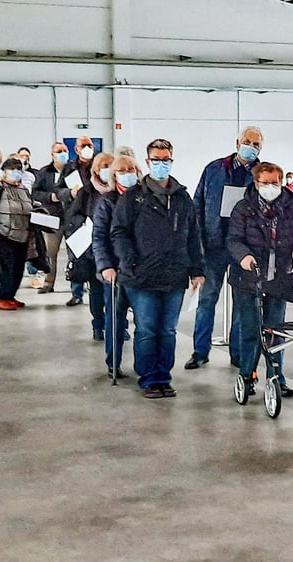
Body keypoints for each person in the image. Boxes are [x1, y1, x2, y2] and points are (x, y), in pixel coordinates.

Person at [111, 138, 205, 399]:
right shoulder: (133, 198)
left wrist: (198, 270)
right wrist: (130, 261)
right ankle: (149, 378)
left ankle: (164, 376)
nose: (161, 164)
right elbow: (118, 233)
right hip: (141, 277)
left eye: (166, 160)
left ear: (171, 160)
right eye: (156, 160)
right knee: (147, 328)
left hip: (175, 275)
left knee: (167, 330)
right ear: (148, 161)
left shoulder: (182, 197)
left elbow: (193, 235)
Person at [228, 162, 293, 398]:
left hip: (279, 279)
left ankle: (277, 377)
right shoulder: (242, 208)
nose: (271, 187)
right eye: (265, 183)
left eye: (275, 183)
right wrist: (245, 257)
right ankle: (247, 375)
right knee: (251, 330)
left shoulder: (291, 208)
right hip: (248, 278)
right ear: (256, 183)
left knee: (276, 331)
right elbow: (233, 240)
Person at [185, 126, 263, 370]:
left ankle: (238, 354)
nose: (251, 147)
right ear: (238, 142)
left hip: (244, 249)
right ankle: (200, 351)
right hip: (213, 244)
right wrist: (196, 241)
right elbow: (198, 203)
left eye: (257, 144)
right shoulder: (214, 169)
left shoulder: (262, 173)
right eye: (248, 141)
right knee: (207, 300)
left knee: (242, 304)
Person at [93, 154, 140, 378]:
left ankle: (143, 364)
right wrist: (105, 267)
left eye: (132, 169)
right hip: (115, 270)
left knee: (144, 322)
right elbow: (99, 238)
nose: (129, 173)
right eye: (123, 170)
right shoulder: (107, 202)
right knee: (115, 318)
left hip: (141, 270)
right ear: (114, 175)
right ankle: (113, 362)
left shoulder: (145, 198)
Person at [65, 152, 114, 340]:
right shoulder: (86, 192)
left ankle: (118, 325)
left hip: (114, 250)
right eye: (104, 167)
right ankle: (98, 324)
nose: (108, 171)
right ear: (96, 170)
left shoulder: (118, 192)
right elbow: (72, 216)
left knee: (115, 294)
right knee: (96, 291)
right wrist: (86, 223)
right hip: (92, 250)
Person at [0, 158, 33, 311]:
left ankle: (11, 295)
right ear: (4, 173)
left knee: (18, 268)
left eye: (18, 169)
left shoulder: (23, 190)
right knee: (7, 267)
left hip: (23, 235)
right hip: (4, 234)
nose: (15, 173)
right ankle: (3, 297)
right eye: (12, 170)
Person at [31, 142, 78, 295]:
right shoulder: (44, 172)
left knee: (75, 254)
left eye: (65, 150)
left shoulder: (74, 170)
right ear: (52, 155)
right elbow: (35, 192)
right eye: (59, 151)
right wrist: (50, 197)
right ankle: (48, 283)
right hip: (53, 218)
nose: (63, 153)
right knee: (51, 253)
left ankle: (77, 287)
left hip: (73, 218)